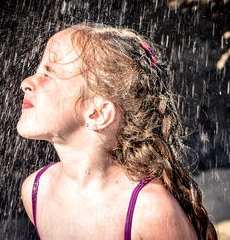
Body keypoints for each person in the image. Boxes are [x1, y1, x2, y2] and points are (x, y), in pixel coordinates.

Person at [17, 23, 217, 239]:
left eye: (48, 74)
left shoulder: (150, 210)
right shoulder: (36, 191)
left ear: (98, 113)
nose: (26, 82)